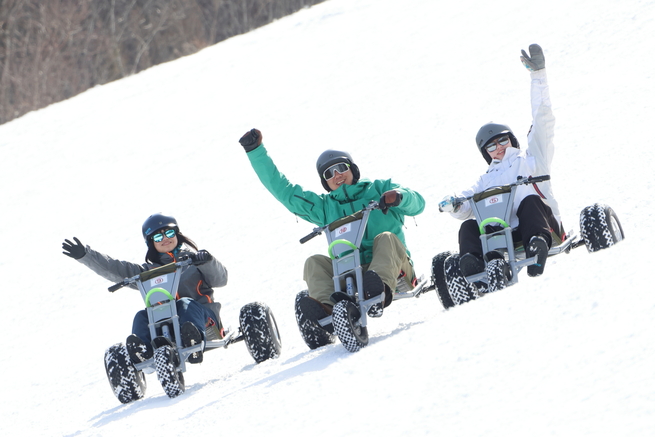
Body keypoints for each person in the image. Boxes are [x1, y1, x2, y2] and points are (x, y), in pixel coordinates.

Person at [237, 128, 425, 344]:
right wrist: (255, 151)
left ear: (352, 169)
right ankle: (326, 311)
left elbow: (418, 203)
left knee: (385, 238)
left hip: (395, 267)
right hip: (352, 274)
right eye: (329, 173)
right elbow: (285, 192)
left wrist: (398, 197)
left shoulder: (379, 190)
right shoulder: (325, 208)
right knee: (314, 263)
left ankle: (378, 289)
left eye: (341, 168)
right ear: (325, 182)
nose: (336, 175)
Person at [438, 44, 563, 281]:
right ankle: (473, 266)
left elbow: (543, 119)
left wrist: (538, 77)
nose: (499, 148)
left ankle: (538, 245)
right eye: (491, 146)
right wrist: (454, 204)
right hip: (505, 235)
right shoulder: (486, 180)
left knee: (529, 200)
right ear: (486, 153)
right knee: (469, 226)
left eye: (502, 141)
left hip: (541, 225)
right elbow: (466, 202)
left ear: (512, 140)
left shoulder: (532, 159)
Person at [62, 213, 228, 364]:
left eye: (169, 233)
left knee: (185, 303)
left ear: (177, 234)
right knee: (142, 316)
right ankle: (143, 352)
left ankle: (193, 338)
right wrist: (85, 256)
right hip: (168, 329)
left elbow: (221, 279)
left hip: (205, 320)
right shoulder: (148, 273)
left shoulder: (195, 261)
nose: (165, 238)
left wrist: (207, 261)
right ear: (151, 243)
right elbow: (115, 269)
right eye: (157, 236)